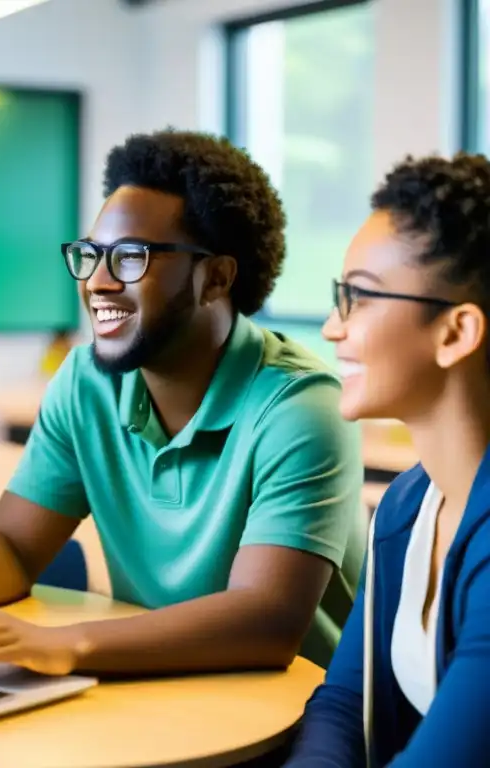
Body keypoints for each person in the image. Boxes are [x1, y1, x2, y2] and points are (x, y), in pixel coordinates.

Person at [0, 129, 366, 679]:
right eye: (91, 256)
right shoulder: (86, 382)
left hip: (291, 718)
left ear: (215, 278)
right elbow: (13, 545)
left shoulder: (299, 406)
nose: (98, 283)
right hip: (155, 681)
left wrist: (67, 644)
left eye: (130, 257)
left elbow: (266, 619)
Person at [286, 153, 490, 767]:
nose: (331, 327)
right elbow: (345, 703)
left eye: (360, 299)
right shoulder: (405, 506)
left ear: (455, 333)